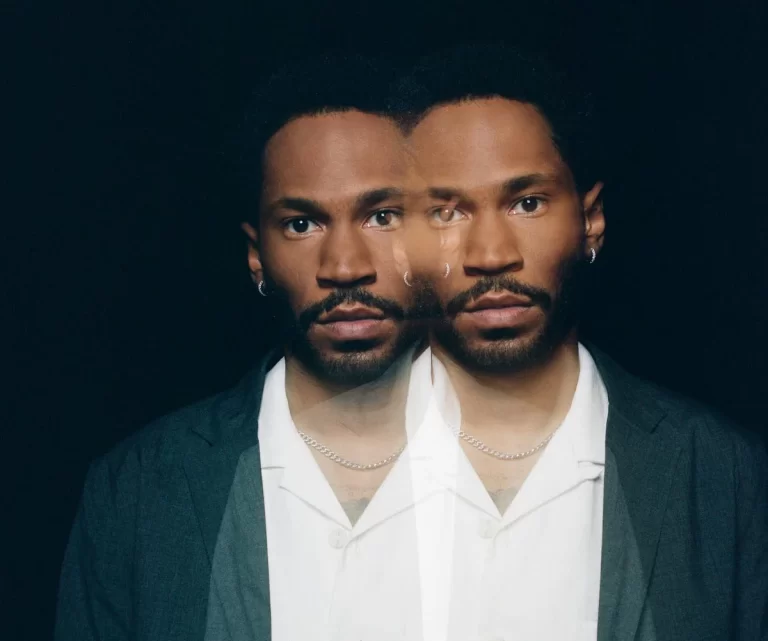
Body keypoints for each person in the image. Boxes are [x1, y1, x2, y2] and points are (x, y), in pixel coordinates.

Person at [397, 43, 768, 640]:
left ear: (589, 219)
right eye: (446, 212)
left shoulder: (725, 473)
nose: (491, 254)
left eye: (527, 202)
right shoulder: (307, 456)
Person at [54, 54, 431, 641]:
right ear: (258, 256)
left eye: (382, 216)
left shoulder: (551, 453)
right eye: (302, 224)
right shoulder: (138, 488)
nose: (346, 266)